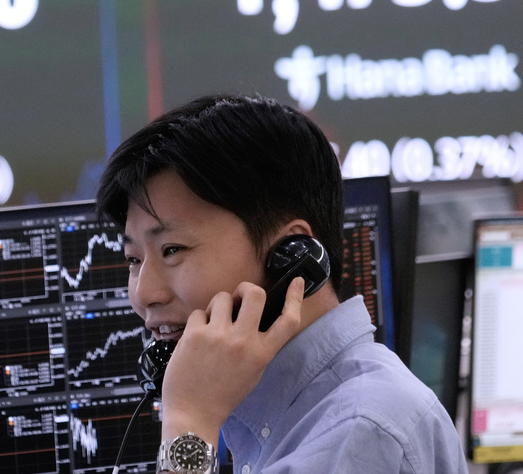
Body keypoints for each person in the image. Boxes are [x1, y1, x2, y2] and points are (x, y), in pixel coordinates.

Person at [96, 93, 468, 473]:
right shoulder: (283, 412)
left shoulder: (357, 432)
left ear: (292, 256)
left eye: (172, 249)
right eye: (134, 260)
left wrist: (189, 422)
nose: (144, 294)